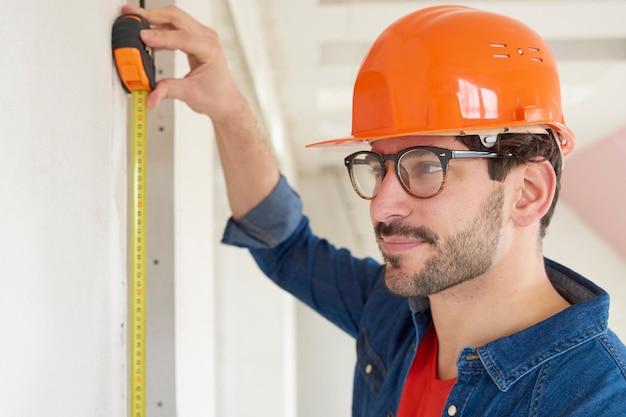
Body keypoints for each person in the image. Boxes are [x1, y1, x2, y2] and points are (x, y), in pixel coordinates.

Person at [122, 4, 626, 416]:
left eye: (426, 167)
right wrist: (226, 105)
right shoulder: (391, 310)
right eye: (377, 165)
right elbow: (284, 244)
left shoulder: (596, 400)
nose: (383, 203)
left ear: (528, 192)